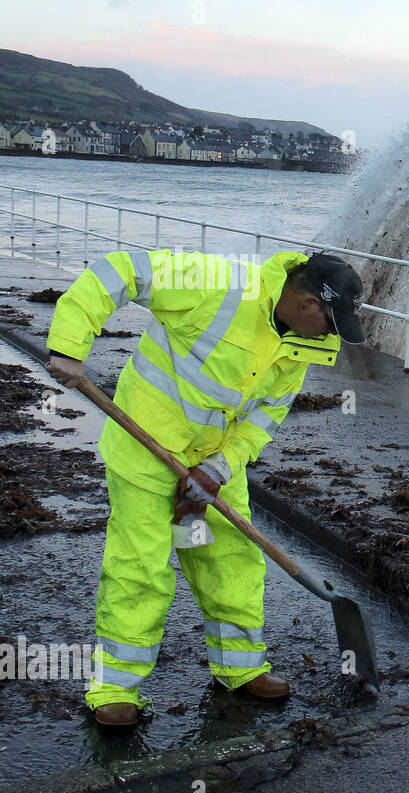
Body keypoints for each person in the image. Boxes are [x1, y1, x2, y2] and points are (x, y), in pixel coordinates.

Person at [43, 248, 366, 728]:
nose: (332, 334)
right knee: (141, 569)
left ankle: (239, 668)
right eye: (332, 321)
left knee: (230, 559)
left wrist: (217, 470)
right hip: (146, 454)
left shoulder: (303, 345)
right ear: (308, 304)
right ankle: (115, 688)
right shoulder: (217, 283)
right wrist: (69, 347)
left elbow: (263, 419)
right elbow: (118, 271)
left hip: (209, 468)